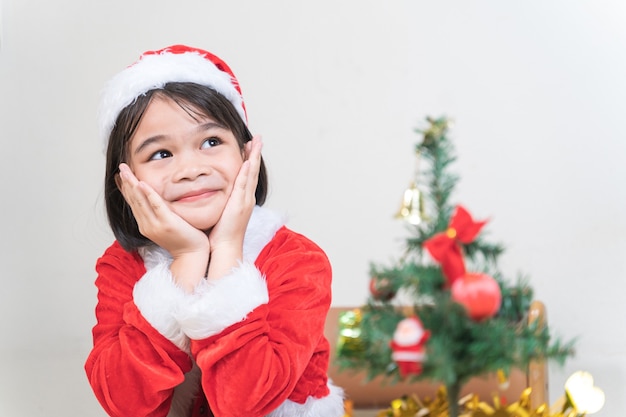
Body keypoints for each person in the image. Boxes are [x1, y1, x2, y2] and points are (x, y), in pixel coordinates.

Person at [84, 45, 344, 417]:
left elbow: (244, 403)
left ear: (246, 153)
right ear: (126, 182)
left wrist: (225, 253)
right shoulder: (121, 267)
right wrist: (188, 260)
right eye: (160, 154)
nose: (190, 169)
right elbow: (124, 403)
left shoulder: (297, 260)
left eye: (211, 142)